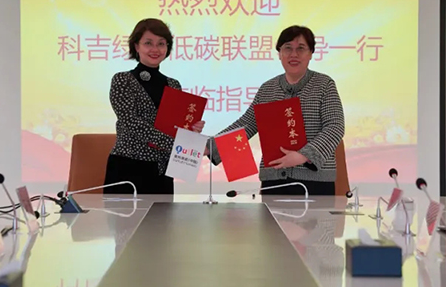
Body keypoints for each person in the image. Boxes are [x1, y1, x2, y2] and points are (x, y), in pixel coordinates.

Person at [210, 25, 344, 195]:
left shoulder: (324, 85)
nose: (294, 54)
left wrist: (304, 156)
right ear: (279, 53)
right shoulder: (267, 89)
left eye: (301, 48)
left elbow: (335, 127)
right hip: (273, 179)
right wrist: (211, 146)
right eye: (287, 48)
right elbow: (246, 124)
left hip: (314, 181)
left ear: (311, 53)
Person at [104, 18, 204, 195]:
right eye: (148, 43)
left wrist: (190, 131)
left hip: (162, 170)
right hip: (128, 167)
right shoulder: (122, 80)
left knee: (164, 214)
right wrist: (176, 144)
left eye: (161, 44)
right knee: (124, 214)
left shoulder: (173, 85)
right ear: (136, 46)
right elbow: (131, 123)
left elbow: (175, 127)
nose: (155, 49)